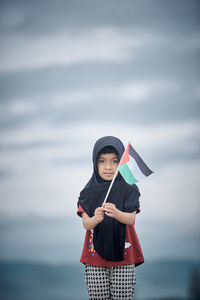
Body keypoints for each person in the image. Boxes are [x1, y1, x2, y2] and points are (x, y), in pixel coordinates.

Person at [77, 136, 144, 300]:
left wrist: (117, 213)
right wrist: (95, 219)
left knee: (122, 297)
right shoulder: (87, 193)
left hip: (124, 256)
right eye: (102, 161)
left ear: (121, 162)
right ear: (95, 162)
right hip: (95, 259)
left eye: (114, 161)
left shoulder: (129, 190)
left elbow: (130, 219)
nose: (108, 167)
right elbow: (86, 224)